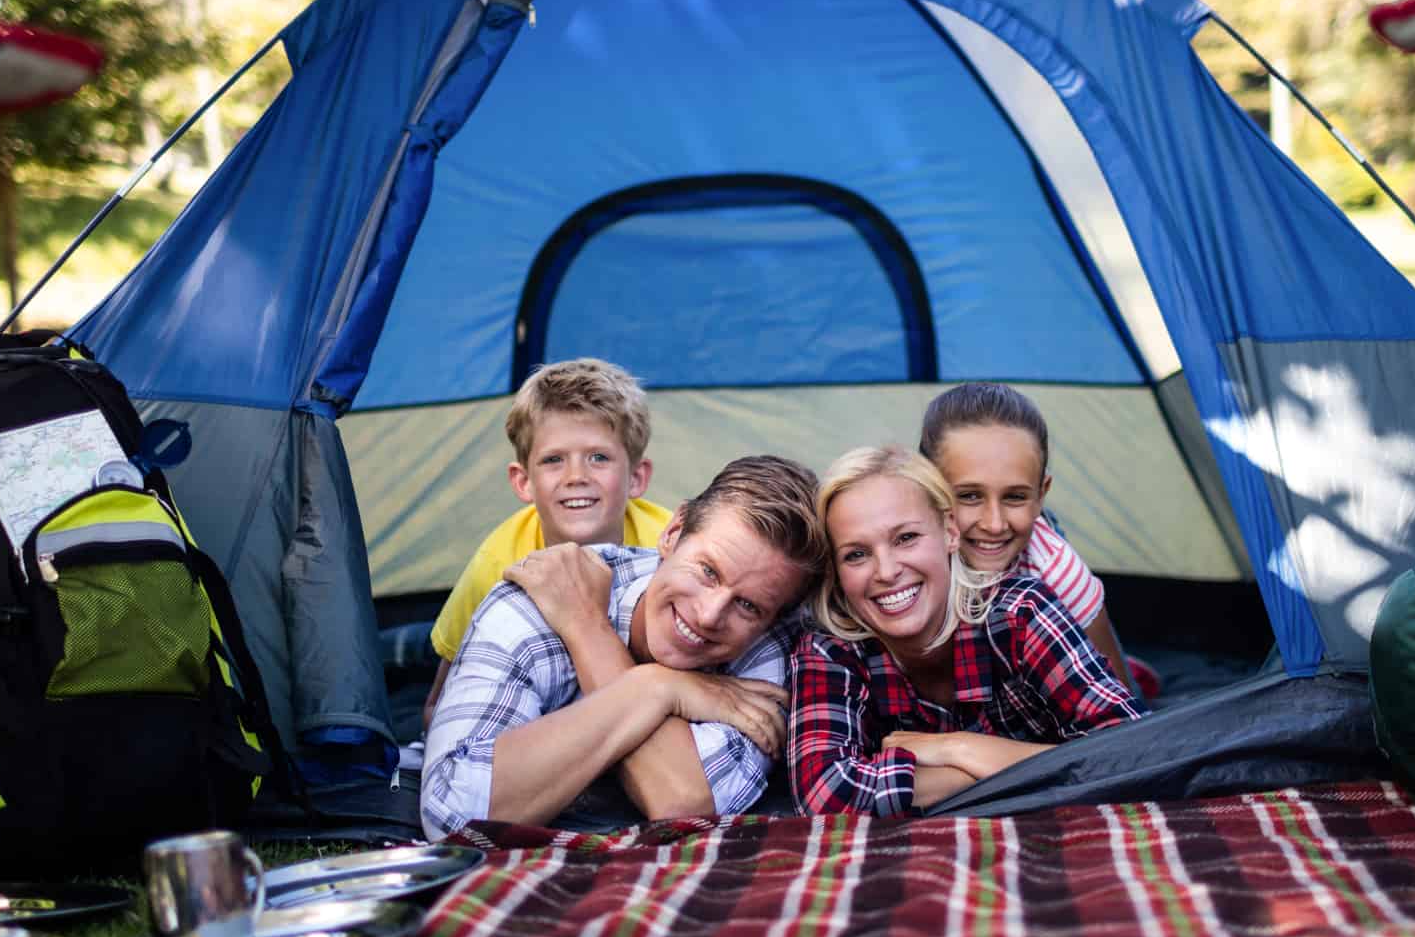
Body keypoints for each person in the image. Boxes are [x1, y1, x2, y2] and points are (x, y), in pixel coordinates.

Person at [420, 455, 825, 838]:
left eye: (747, 605)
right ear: (672, 532)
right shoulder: (539, 601)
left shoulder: (770, 645)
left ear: (774, 617)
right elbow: (452, 812)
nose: (708, 615)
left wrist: (598, 641)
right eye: (707, 571)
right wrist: (659, 687)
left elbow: (684, 805)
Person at [789, 446, 1141, 816]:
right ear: (838, 573)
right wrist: (1016, 768)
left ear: (950, 532)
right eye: (856, 554)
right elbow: (825, 792)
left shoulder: (1021, 614)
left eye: (906, 538)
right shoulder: (828, 650)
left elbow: (1134, 751)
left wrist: (959, 748)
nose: (887, 571)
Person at [422, 358, 674, 720]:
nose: (576, 476)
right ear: (523, 482)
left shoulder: (669, 548)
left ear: (636, 477)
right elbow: (437, 704)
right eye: (554, 460)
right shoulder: (498, 561)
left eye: (598, 457)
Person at [918, 382, 1158, 702]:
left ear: (1042, 493)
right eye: (969, 495)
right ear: (927, 487)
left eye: (1015, 496)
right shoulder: (900, 549)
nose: (994, 523)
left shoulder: (1057, 570)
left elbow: (1123, 707)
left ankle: (1133, 666)